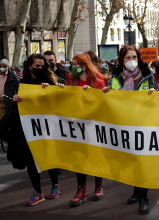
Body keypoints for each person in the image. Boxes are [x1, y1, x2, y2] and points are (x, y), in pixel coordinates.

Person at [102, 45, 157, 215]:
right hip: (124, 125)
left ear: (138, 59)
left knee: (141, 161)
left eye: (134, 57)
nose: (131, 61)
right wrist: (105, 93)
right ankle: (136, 190)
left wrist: (156, 93)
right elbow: (110, 99)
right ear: (121, 60)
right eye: (128, 58)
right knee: (131, 160)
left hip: (143, 124)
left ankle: (143, 197)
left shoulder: (148, 76)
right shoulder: (115, 77)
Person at [11, 54, 63, 206]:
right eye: (37, 66)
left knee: (49, 156)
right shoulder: (23, 82)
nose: (40, 68)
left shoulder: (49, 81)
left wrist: (53, 89)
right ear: (29, 67)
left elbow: (58, 101)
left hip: (47, 127)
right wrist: (16, 100)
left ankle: (55, 185)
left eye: (42, 66)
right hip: (30, 128)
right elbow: (19, 107)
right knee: (31, 160)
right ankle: (38, 192)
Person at [65, 53, 106, 207]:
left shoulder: (98, 81)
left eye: (75, 65)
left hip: (94, 125)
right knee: (79, 157)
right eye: (72, 64)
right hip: (77, 125)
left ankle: (98, 185)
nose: (72, 67)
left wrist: (91, 94)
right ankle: (81, 190)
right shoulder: (71, 80)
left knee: (95, 155)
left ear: (83, 66)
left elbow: (103, 103)